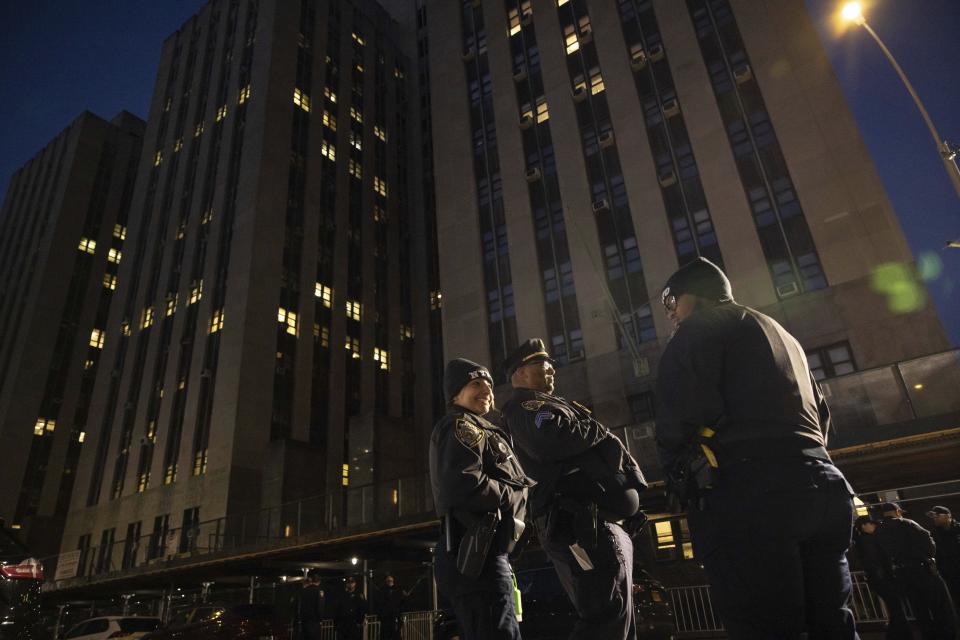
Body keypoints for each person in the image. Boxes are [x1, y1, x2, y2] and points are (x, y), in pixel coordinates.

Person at [654, 257, 858, 639]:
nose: (670, 314)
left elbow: (678, 415)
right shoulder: (782, 332)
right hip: (823, 484)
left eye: (671, 302)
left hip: (751, 492)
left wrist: (680, 478)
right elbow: (822, 414)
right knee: (831, 622)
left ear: (696, 297)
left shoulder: (699, 329)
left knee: (764, 625)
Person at [501, 339, 647, 640]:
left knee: (618, 617)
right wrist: (598, 429)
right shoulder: (529, 406)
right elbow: (552, 439)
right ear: (520, 374)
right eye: (541, 364)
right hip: (581, 524)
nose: (551, 369)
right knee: (605, 613)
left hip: (598, 521)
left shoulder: (551, 404)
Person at [429, 358, 533, 640]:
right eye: (476, 384)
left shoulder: (481, 428)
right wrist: (514, 494)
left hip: (485, 552)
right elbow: (463, 483)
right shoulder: (462, 425)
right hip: (475, 553)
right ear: (455, 393)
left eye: (488, 384)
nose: (487, 390)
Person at [873, 502, 956, 639]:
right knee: (940, 606)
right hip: (923, 570)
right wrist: (928, 555)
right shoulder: (908, 523)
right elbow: (928, 543)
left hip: (902, 574)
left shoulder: (879, 531)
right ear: (898, 511)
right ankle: (946, 635)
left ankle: (928, 635)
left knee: (919, 610)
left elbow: (880, 556)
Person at [854, 515, 910, 639]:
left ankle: (896, 634)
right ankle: (901, 635)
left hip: (879, 579)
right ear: (864, 526)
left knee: (895, 608)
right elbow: (876, 561)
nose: (874, 526)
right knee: (896, 607)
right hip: (883, 579)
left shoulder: (862, 540)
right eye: (871, 524)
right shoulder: (867, 540)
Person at [928, 505, 960, 607]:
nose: (934, 518)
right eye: (933, 516)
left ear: (948, 516)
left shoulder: (958, 529)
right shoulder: (935, 534)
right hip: (948, 573)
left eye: (937, 516)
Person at [332, 575, 367, 640]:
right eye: (349, 583)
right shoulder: (342, 595)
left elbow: (363, 608)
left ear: (355, 584)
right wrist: (336, 624)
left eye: (352, 582)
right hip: (343, 624)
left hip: (354, 623)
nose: (350, 584)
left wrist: (360, 621)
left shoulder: (359, 595)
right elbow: (337, 609)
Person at [374, 574, 404, 640]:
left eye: (391, 580)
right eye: (388, 580)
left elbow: (401, 603)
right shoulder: (382, 590)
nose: (390, 582)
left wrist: (399, 614)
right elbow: (378, 604)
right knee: (386, 635)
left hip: (395, 617)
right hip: (386, 618)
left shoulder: (397, 590)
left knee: (395, 635)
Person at [299, 571, 327, 640]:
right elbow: (320, 606)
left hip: (305, 621)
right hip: (315, 622)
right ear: (319, 581)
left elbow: (300, 606)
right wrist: (320, 619)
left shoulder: (304, 590)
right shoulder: (319, 591)